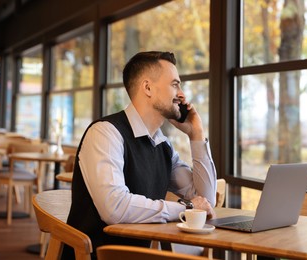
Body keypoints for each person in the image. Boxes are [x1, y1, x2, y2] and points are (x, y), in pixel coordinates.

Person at [62, 51, 217, 259]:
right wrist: (186, 207)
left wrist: (197, 136)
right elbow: (114, 208)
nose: (182, 94)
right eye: (175, 84)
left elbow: (205, 200)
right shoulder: (105, 133)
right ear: (148, 88)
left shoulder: (163, 146)